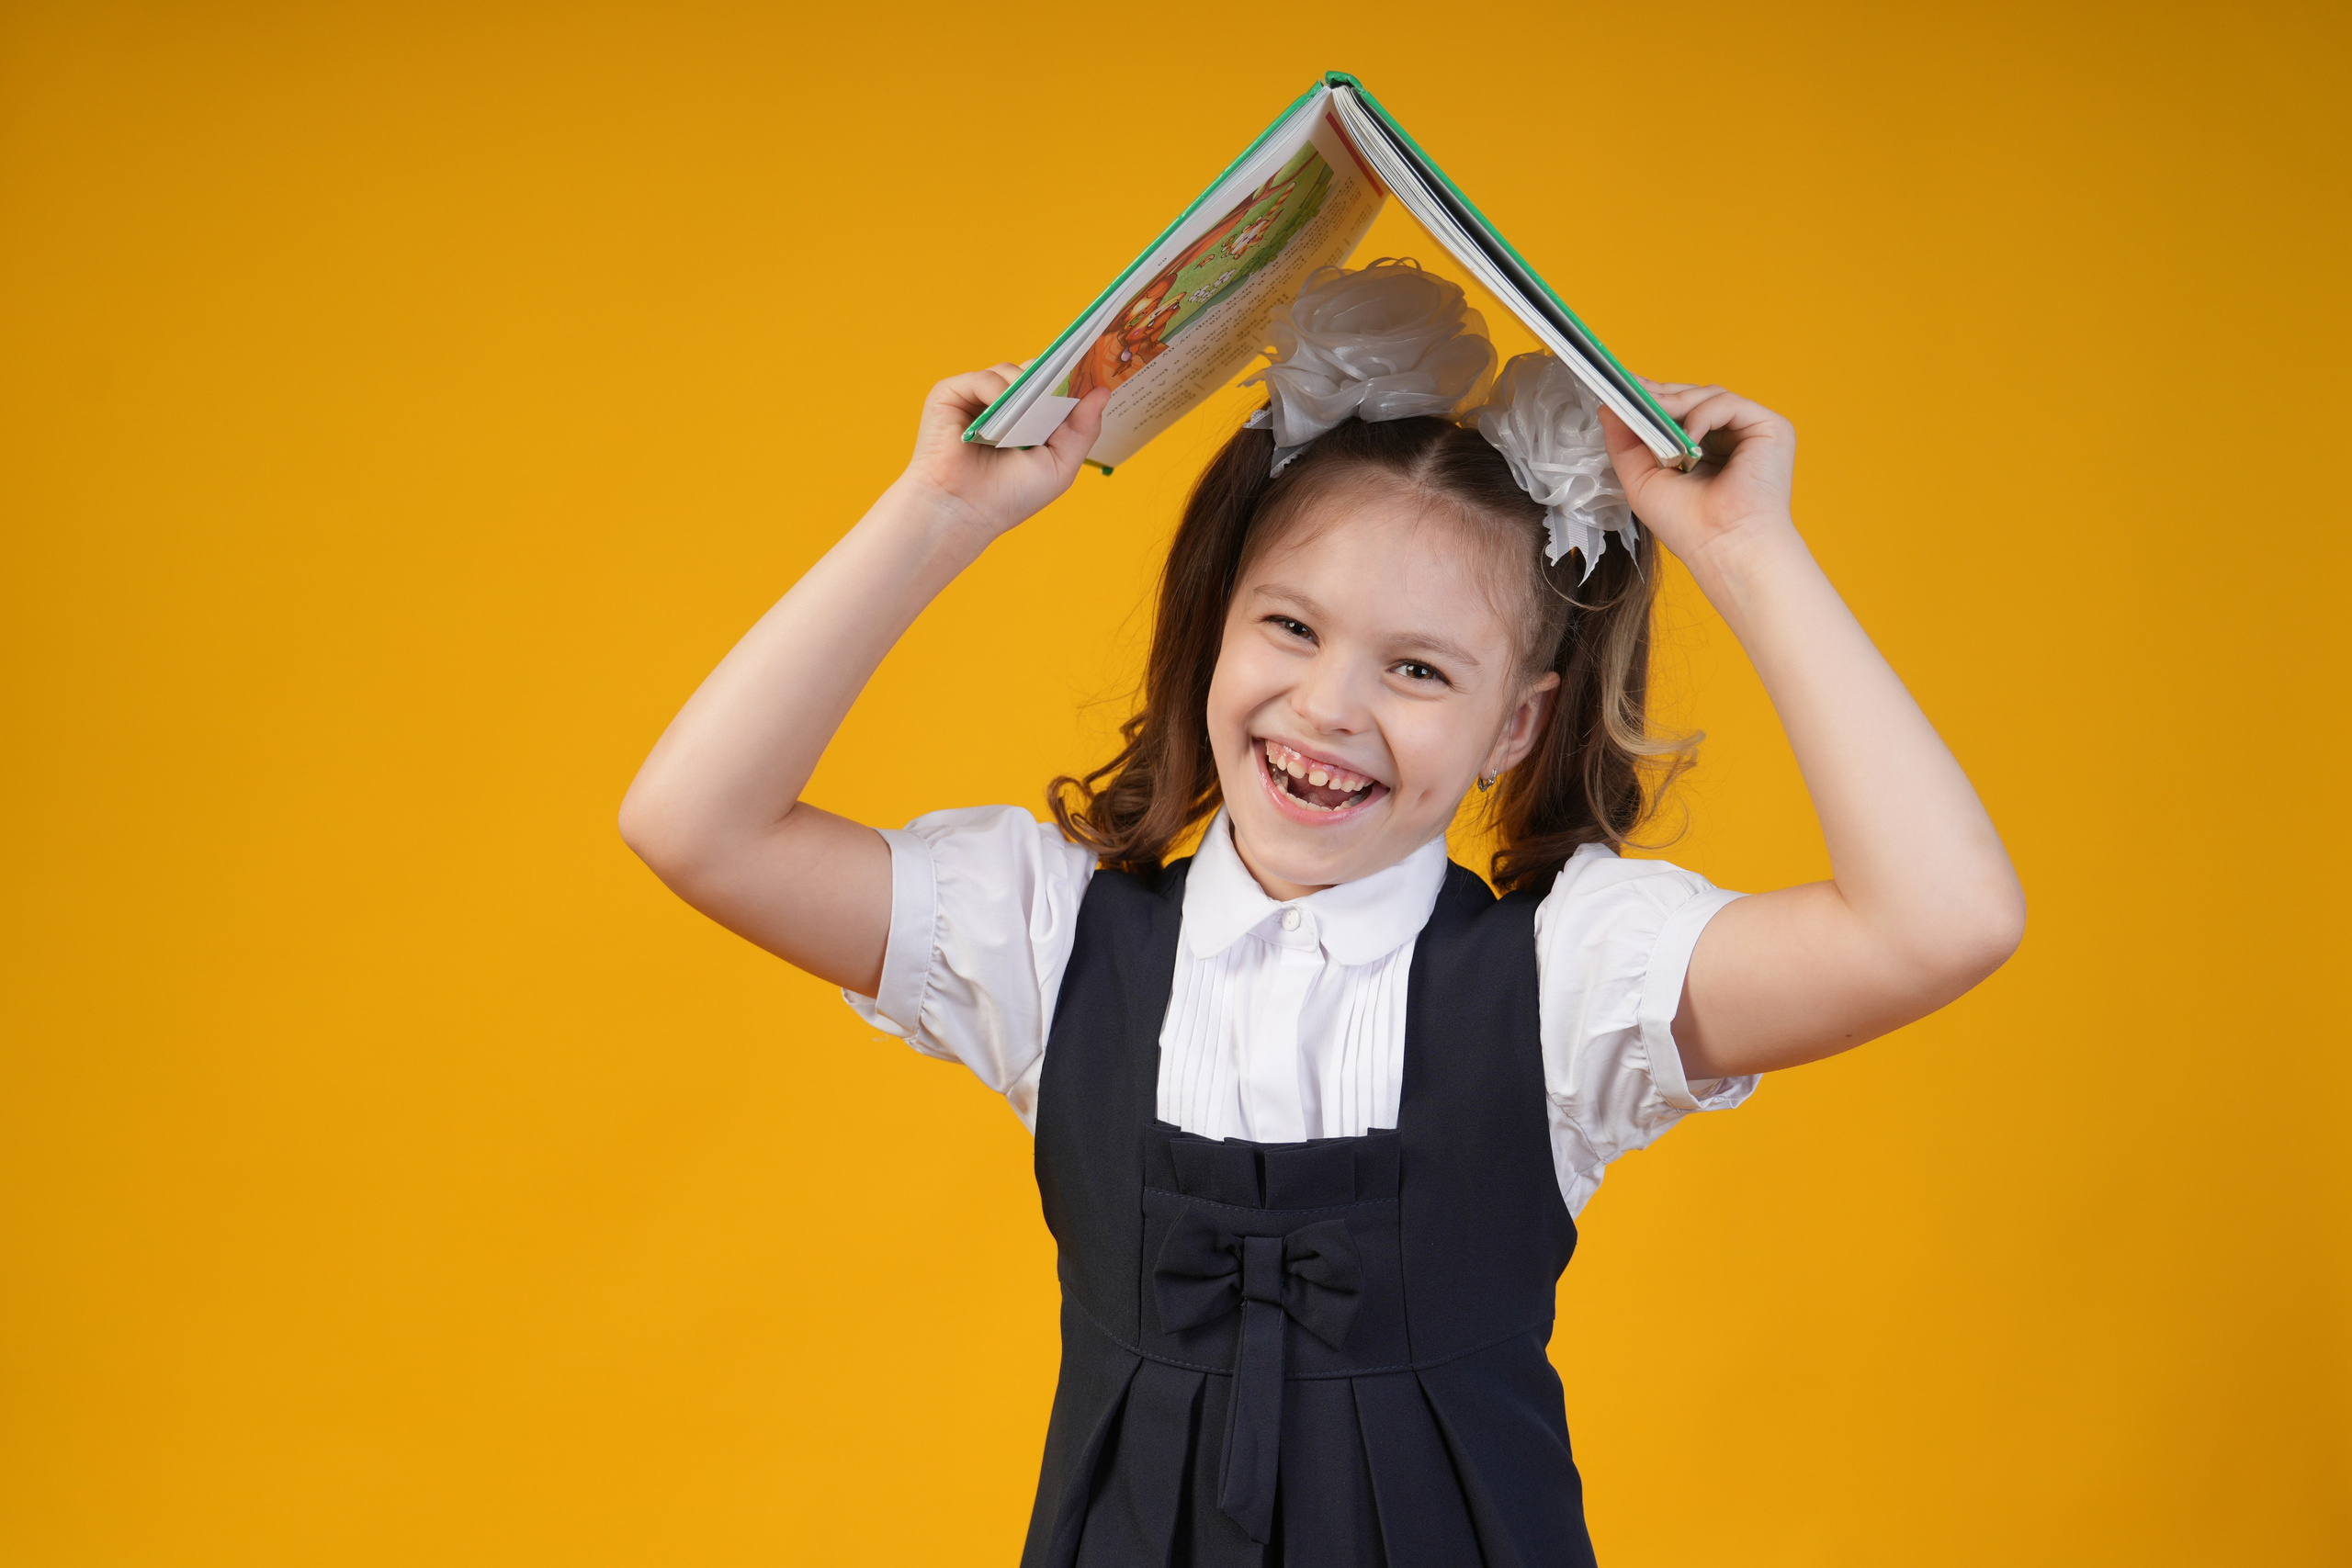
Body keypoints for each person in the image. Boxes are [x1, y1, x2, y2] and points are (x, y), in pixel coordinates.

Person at [618, 261, 2024, 1566]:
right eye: (1291, 627)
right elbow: (694, 822)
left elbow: (1941, 921)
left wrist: (1747, 548)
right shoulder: (1048, 942)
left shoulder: (1568, 984)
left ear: (1515, 726)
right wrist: (941, 510)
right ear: (1217, 624)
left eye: (1419, 669)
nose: (1330, 707)